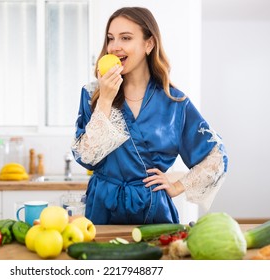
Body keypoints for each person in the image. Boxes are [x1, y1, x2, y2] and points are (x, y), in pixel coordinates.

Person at [71, 7, 228, 225]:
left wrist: (177, 186)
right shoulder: (92, 95)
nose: (114, 47)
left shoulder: (175, 103)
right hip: (102, 209)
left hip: (153, 211)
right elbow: (86, 158)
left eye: (125, 38)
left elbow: (216, 157)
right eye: (110, 38)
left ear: (149, 44)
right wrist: (106, 100)